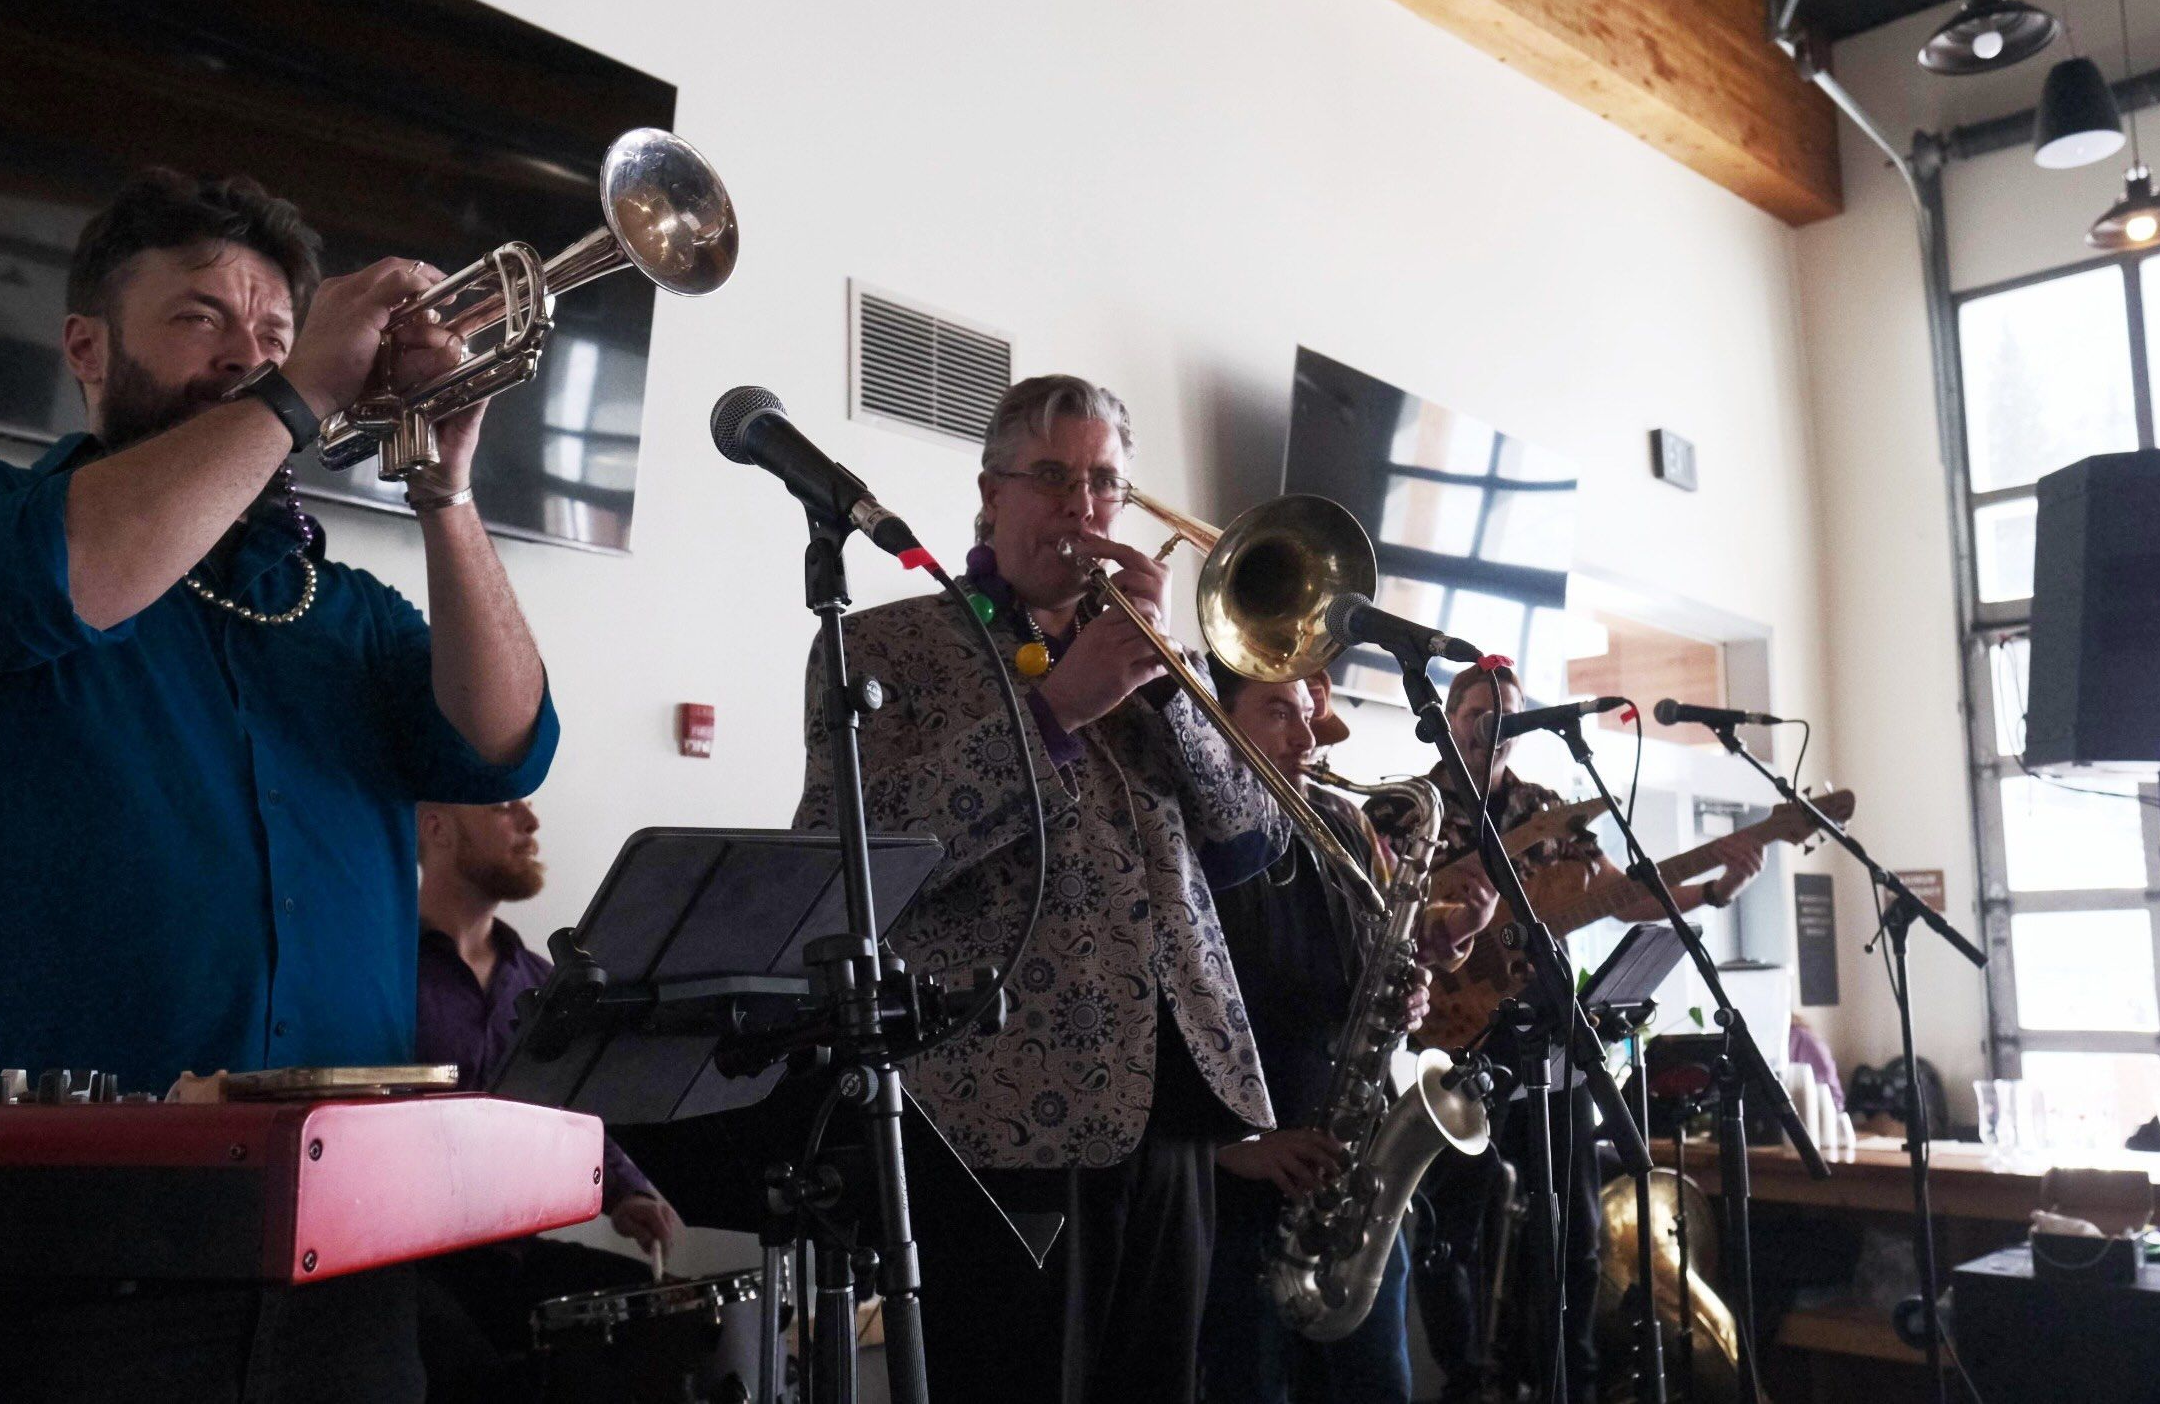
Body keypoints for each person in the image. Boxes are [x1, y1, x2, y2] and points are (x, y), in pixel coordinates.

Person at [0, 168, 557, 1401]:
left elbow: (503, 744)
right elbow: (80, 574)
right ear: (86, 346)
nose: (247, 353)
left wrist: (446, 486)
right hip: (41, 1266)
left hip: (342, 1263)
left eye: (275, 328)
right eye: (199, 317)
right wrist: (303, 383)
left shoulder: (347, 607)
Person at [792, 374, 1292, 1404]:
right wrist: (1057, 707)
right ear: (991, 493)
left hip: (1172, 1103)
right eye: (1054, 477)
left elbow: (1252, 836)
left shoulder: (1161, 654)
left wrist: (1172, 681)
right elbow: (849, 853)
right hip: (1002, 1111)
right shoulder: (884, 647)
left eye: (1105, 483)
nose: (1082, 505)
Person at [1369, 665, 1765, 1404]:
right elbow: (1371, 909)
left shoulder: (1548, 811)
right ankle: (1468, 1382)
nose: (1493, 727)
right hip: (1456, 1040)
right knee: (1457, 1226)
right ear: (1447, 717)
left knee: (1573, 1230)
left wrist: (1716, 888)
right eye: (1480, 711)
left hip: (1548, 1039)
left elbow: (1625, 895)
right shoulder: (1406, 809)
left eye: (1508, 715)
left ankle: (1565, 1381)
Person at [1198, 665, 1485, 1404]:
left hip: (1347, 1173)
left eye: (1305, 713)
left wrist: (1411, 985)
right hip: (1238, 1181)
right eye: (1277, 713)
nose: (1305, 737)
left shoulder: (1343, 822)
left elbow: (1388, 943)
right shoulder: (1190, 831)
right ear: (1218, 720)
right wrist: (1234, 1147)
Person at [410, 799, 685, 1402]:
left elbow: (572, 1109)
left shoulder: (538, 980)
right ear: (436, 827)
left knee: (667, 1319)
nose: (531, 822)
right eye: (504, 808)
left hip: (510, 1255)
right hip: (404, 1268)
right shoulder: (379, 971)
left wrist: (628, 1191)